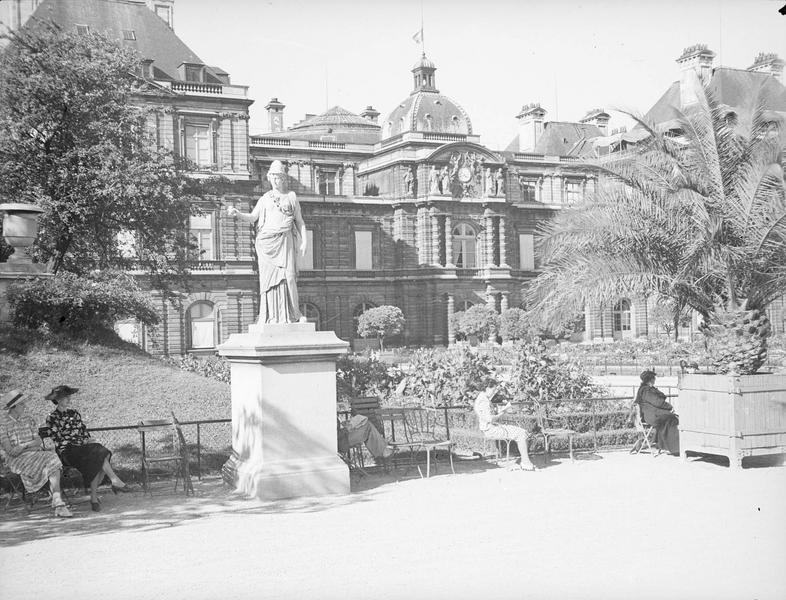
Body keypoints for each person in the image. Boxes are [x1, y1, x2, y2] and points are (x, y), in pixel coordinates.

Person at [228, 160, 307, 324]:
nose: (276, 181)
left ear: (284, 178)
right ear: (269, 178)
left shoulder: (291, 197)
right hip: (266, 243)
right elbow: (253, 217)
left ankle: (295, 314)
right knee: (269, 282)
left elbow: (299, 222)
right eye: (273, 178)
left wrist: (304, 241)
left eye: (279, 178)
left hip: (285, 241)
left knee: (290, 277)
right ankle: (272, 315)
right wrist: (238, 213)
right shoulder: (265, 198)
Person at [44, 385, 132, 512]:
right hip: (67, 452)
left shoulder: (74, 413)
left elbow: (84, 432)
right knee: (98, 452)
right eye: (65, 396)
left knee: (101, 455)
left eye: (69, 396)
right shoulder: (52, 418)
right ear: (57, 400)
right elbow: (57, 440)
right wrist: (78, 441)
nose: (69, 398)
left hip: (83, 450)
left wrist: (84, 440)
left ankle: (97, 497)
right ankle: (111, 484)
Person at [0, 389, 72, 517]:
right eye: (22, 404)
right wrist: (30, 447)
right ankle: (58, 502)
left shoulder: (29, 419)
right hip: (16, 460)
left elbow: (38, 441)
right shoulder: (3, 423)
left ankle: (58, 502)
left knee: (52, 458)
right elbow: (11, 451)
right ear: (13, 407)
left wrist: (24, 446)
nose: (25, 406)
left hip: (35, 454)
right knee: (51, 459)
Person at [473, 384, 536, 471]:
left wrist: (500, 410)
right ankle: (526, 462)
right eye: (493, 389)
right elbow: (490, 419)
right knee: (521, 433)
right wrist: (503, 412)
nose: (494, 392)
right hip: (491, 430)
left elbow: (488, 416)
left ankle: (525, 461)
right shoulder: (483, 401)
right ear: (487, 388)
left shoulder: (481, 398)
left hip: (492, 427)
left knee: (522, 432)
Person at [634, 370, 680, 455]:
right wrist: (670, 407)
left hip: (652, 414)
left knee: (670, 417)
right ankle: (672, 447)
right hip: (651, 416)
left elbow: (660, 398)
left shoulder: (646, 389)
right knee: (672, 418)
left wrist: (654, 389)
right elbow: (657, 402)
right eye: (653, 378)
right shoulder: (646, 390)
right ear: (650, 380)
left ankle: (664, 445)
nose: (655, 380)